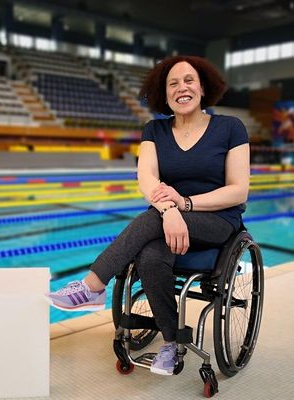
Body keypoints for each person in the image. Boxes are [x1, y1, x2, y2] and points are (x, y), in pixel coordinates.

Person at [47, 55, 250, 376]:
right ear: (164, 93)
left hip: (215, 221)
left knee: (151, 220)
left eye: (188, 80)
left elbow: (238, 191)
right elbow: (147, 180)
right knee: (151, 256)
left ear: (203, 86)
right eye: (173, 83)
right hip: (165, 219)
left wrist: (183, 204)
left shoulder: (230, 128)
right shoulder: (154, 130)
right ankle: (171, 344)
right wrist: (169, 211)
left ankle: (92, 285)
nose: (181, 88)